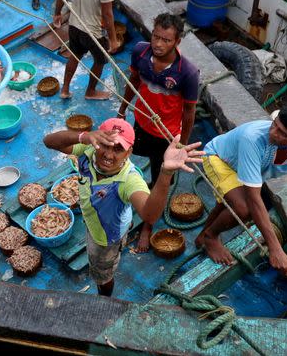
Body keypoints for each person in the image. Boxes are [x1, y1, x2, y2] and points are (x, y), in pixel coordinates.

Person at [44, 118, 203, 296]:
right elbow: (49, 142)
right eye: (105, 144)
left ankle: (104, 297)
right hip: (94, 218)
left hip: (106, 237)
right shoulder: (88, 150)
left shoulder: (129, 180)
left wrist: (165, 173)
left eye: (118, 149)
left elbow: (149, 215)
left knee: (103, 273)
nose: (109, 155)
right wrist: (84, 136)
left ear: (129, 153)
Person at [195, 104, 287, 276]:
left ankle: (203, 234)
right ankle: (211, 237)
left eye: (283, 134)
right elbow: (252, 199)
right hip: (220, 158)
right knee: (243, 208)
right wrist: (276, 249)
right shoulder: (253, 138)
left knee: (231, 202)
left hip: (245, 169)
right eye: (275, 124)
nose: (273, 132)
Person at [118, 13, 200, 252]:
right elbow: (133, 80)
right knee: (125, 155)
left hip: (167, 137)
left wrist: (182, 147)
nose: (158, 44)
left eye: (166, 40)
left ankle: (147, 225)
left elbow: (189, 112)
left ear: (177, 42)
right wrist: (122, 111)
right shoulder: (140, 52)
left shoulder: (188, 73)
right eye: (156, 37)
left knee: (159, 179)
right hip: (140, 124)